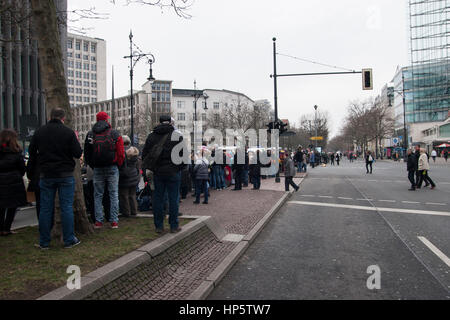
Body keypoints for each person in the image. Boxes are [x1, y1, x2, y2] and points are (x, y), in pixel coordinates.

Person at [28, 108, 82, 249]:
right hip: (65, 174)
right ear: (63, 118)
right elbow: (77, 153)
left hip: (46, 174)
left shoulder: (40, 132)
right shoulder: (68, 132)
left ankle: (44, 241)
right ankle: (69, 239)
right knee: (66, 208)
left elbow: (31, 152)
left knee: (45, 209)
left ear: (50, 117)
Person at [142, 115, 184, 234]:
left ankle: (159, 226)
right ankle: (173, 225)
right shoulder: (176, 136)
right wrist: (178, 168)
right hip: (173, 172)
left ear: (159, 122)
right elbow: (183, 156)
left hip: (158, 172)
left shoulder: (151, 136)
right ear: (170, 122)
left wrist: (152, 168)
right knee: (173, 199)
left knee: (158, 199)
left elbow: (145, 154)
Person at [84, 111, 124, 229]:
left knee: (98, 195)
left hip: (97, 168)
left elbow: (87, 153)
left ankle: (98, 221)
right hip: (112, 167)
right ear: (107, 119)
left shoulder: (91, 134)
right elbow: (121, 152)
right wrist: (118, 164)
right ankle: (114, 221)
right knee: (113, 194)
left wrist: (93, 165)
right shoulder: (114, 133)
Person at [0, 129, 27, 236]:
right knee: (12, 206)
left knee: (1, 207)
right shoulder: (16, 152)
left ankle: (1, 228)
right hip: (13, 181)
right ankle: (7, 228)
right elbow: (22, 168)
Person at [119, 143, 140, 218]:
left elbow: (123, 170)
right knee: (132, 195)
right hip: (134, 179)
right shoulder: (136, 160)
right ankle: (134, 211)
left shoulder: (126, 160)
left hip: (125, 180)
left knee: (124, 196)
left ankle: (126, 212)